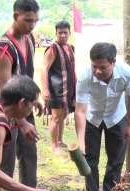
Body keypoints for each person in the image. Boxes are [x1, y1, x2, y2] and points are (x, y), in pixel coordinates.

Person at [0, 0, 42, 191]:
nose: (32, 25)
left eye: (35, 21)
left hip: (24, 106)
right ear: (15, 16)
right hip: (7, 113)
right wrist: (22, 121)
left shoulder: (30, 40)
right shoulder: (3, 49)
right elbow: (5, 92)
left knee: (29, 151)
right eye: (28, 20)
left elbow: (26, 74)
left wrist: (33, 98)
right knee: (5, 160)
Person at [75, 43, 130, 191]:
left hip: (117, 116)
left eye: (103, 67)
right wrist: (80, 140)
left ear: (113, 62)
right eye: (94, 66)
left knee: (116, 160)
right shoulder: (84, 78)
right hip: (93, 117)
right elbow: (80, 111)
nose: (98, 71)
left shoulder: (126, 73)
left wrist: (129, 125)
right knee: (89, 159)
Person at [41, 21, 76, 155]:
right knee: (56, 117)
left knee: (62, 116)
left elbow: (72, 69)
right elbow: (44, 69)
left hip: (68, 88)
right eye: (60, 33)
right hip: (55, 89)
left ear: (69, 33)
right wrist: (45, 89)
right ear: (55, 33)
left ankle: (60, 141)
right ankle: (54, 146)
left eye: (65, 32)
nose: (62, 35)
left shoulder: (71, 48)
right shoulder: (52, 49)